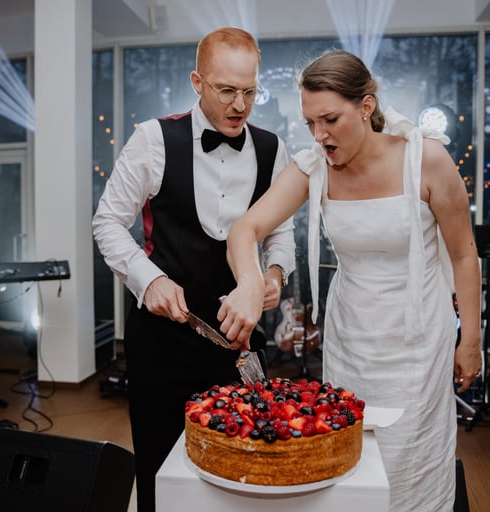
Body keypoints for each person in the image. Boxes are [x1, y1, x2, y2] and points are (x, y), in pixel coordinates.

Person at [219, 50, 482, 511]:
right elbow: (246, 229)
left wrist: (471, 340)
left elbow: (463, 255)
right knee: (350, 455)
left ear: (366, 107)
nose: (319, 135)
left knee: (411, 458)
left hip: (418, 337)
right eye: (310, 123)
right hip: (351, 336)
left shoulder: (426, 159)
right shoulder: (313, 167)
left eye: (330, 120)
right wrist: (248, 283)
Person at [92, 27, 295, 512]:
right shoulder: (152, 140)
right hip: (161, 341)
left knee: (241, 465)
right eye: (226, 90)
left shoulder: (273, 150)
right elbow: (107, 222)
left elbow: (281, 233)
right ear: (197, 82)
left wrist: (274, 275)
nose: (240, 105)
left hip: (238, 342)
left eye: (250, 92)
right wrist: (150, 280)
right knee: (160, 466)